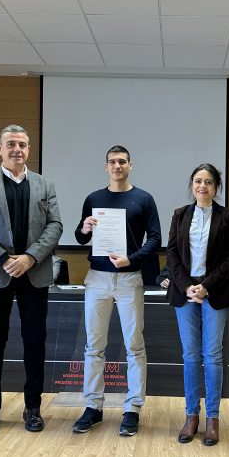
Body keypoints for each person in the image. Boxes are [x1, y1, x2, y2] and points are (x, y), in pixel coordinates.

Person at [0, 124, 62, 437]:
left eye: (22, 144)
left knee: (35, 341)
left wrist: (30, 257)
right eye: (11, 144)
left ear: (28, 149)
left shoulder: (45, 184)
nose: (17, 149)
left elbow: (55, 226)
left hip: (34, 273)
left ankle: (33, 408)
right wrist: (4, 259)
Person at [72, 145, 161, 437]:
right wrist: (85, 227)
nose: (117, 166)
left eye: (122, 161)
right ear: (106, 166)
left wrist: (131, 259)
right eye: (112, 162)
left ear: (130, 165)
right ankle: (92, 407)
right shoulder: (93, 199)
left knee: (134, 346)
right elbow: (80, 237)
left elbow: (156, 238)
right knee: (93, 347)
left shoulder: (144, 199)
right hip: (97, 278)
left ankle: (132, 409)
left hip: (129, 278)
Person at [165, 163, 229, 446]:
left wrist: (206, 287)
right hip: (185, 292)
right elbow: (171, 254)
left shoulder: (228, 217)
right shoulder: (180, 215)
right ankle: (191, 416)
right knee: (191, 356)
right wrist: (187, 286)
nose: (202, 186)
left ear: (216, 187)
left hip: (215, 292)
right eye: (198, 181)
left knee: (213, 355)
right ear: (192, 185)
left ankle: (213, 419)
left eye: (208, 182)